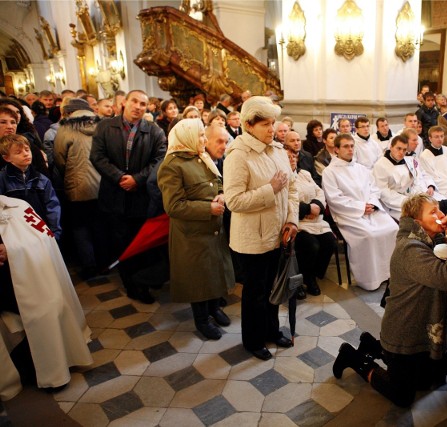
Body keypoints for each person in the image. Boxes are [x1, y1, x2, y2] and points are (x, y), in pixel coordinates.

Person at [333, 194, 447, 407]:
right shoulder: (410, 248)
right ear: (417, 223)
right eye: (433, 211)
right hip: (404, 331)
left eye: (439, 209)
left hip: (422, 325)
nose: (441, 215)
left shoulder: (430, 239)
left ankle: (372, 345)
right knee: (402, 396)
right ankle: (353, 358)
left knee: (434, 379)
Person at [223, 96, 298, 361]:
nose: (272, 129)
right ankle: (253, 340)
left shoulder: (277, 150)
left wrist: (291, 220)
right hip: (252, 240)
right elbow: (233, 201)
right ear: (248, 125)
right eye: (265, 124)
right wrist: (270, 190)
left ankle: (271, 330)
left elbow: (292, 187)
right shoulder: (238, 155)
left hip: (278, 233)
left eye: (273, 123)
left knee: (273, 289)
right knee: (255, 294)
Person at [0, 195, 92, 397]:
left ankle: (53, 367)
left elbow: (43, 237)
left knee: (49, 307)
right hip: (9, 289)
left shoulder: (18, 205)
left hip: (27, 282)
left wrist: (11, 250)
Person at [157, 119, 234, 340]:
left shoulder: (200, 156)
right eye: (200, 136)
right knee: (198, 278)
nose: (203, 139)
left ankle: (213, 309)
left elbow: (217, 182)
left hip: (212, 229)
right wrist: (208, 208)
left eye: (203, 135)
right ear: (187, 137)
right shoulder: (171, 165)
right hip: (192, 234)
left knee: (213, 272)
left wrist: (222, 194)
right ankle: (202, 320)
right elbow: (173, 206)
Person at [90, 90, 167, 304]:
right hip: (114, 196)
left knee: (140, 244)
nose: (138, 106)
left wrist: (137, 179)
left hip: (141, 197)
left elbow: (159, 159)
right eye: (134, 101)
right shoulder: (106, 127)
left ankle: (143, 281)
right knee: (121, 244)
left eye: (143, 104)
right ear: (124, 103)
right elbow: (97, 156)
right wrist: (120, 177)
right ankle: (132, 285)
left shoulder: (154, 131)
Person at [322, 133, 398, 291]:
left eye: (352, 146)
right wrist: (360, 207)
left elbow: (374, 189)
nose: (350, 149)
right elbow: (335, 199)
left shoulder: (362, 169)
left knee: (393, 229)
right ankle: (370, 280)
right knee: (369, 236)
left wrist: (371, 204)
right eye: (345, 146)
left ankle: (389, 274)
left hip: (371, 209)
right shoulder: (330, 172)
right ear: (336, 149)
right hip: (348, 214)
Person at [53, 98, 105, 279]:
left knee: (80, 227)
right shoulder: (102, 125)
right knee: (100, 225)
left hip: (77, 186)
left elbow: (59, 158)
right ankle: (103, 262)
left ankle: (89, 266)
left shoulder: (65, 128)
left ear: (68, 112)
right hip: (103, 184)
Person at [284, 145, 336, 298]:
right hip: (297, 222)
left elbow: (319, 191)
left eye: (294, 156)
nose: (292, 159)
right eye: (288, 157)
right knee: (311, 245)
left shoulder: (304, 174)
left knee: (329, 242)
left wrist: (318, 206)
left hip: (315, 220)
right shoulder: (280, 177)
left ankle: (312, 275)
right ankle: (302, 279)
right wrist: (307, 209)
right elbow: (285, 201)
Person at [0, 134, 61, 240]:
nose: (25, 154)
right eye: (18, 152)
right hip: (14, 233)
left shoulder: (42, 179)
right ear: (7, 158)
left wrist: (55, 232)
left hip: (40, 231)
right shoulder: (2, 179)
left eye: (27, 150)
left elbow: (52, 206)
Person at [372, 135, 429, 220]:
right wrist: (407, 201)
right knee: (416, 218)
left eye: (404, 150)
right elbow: (383, 192)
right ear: (391, 147)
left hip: (411, 199)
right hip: (392, 204)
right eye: (398, 148)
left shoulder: (408, 162)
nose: (401, 152)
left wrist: (417, 197)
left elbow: (415, 181)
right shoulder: (380, 165)